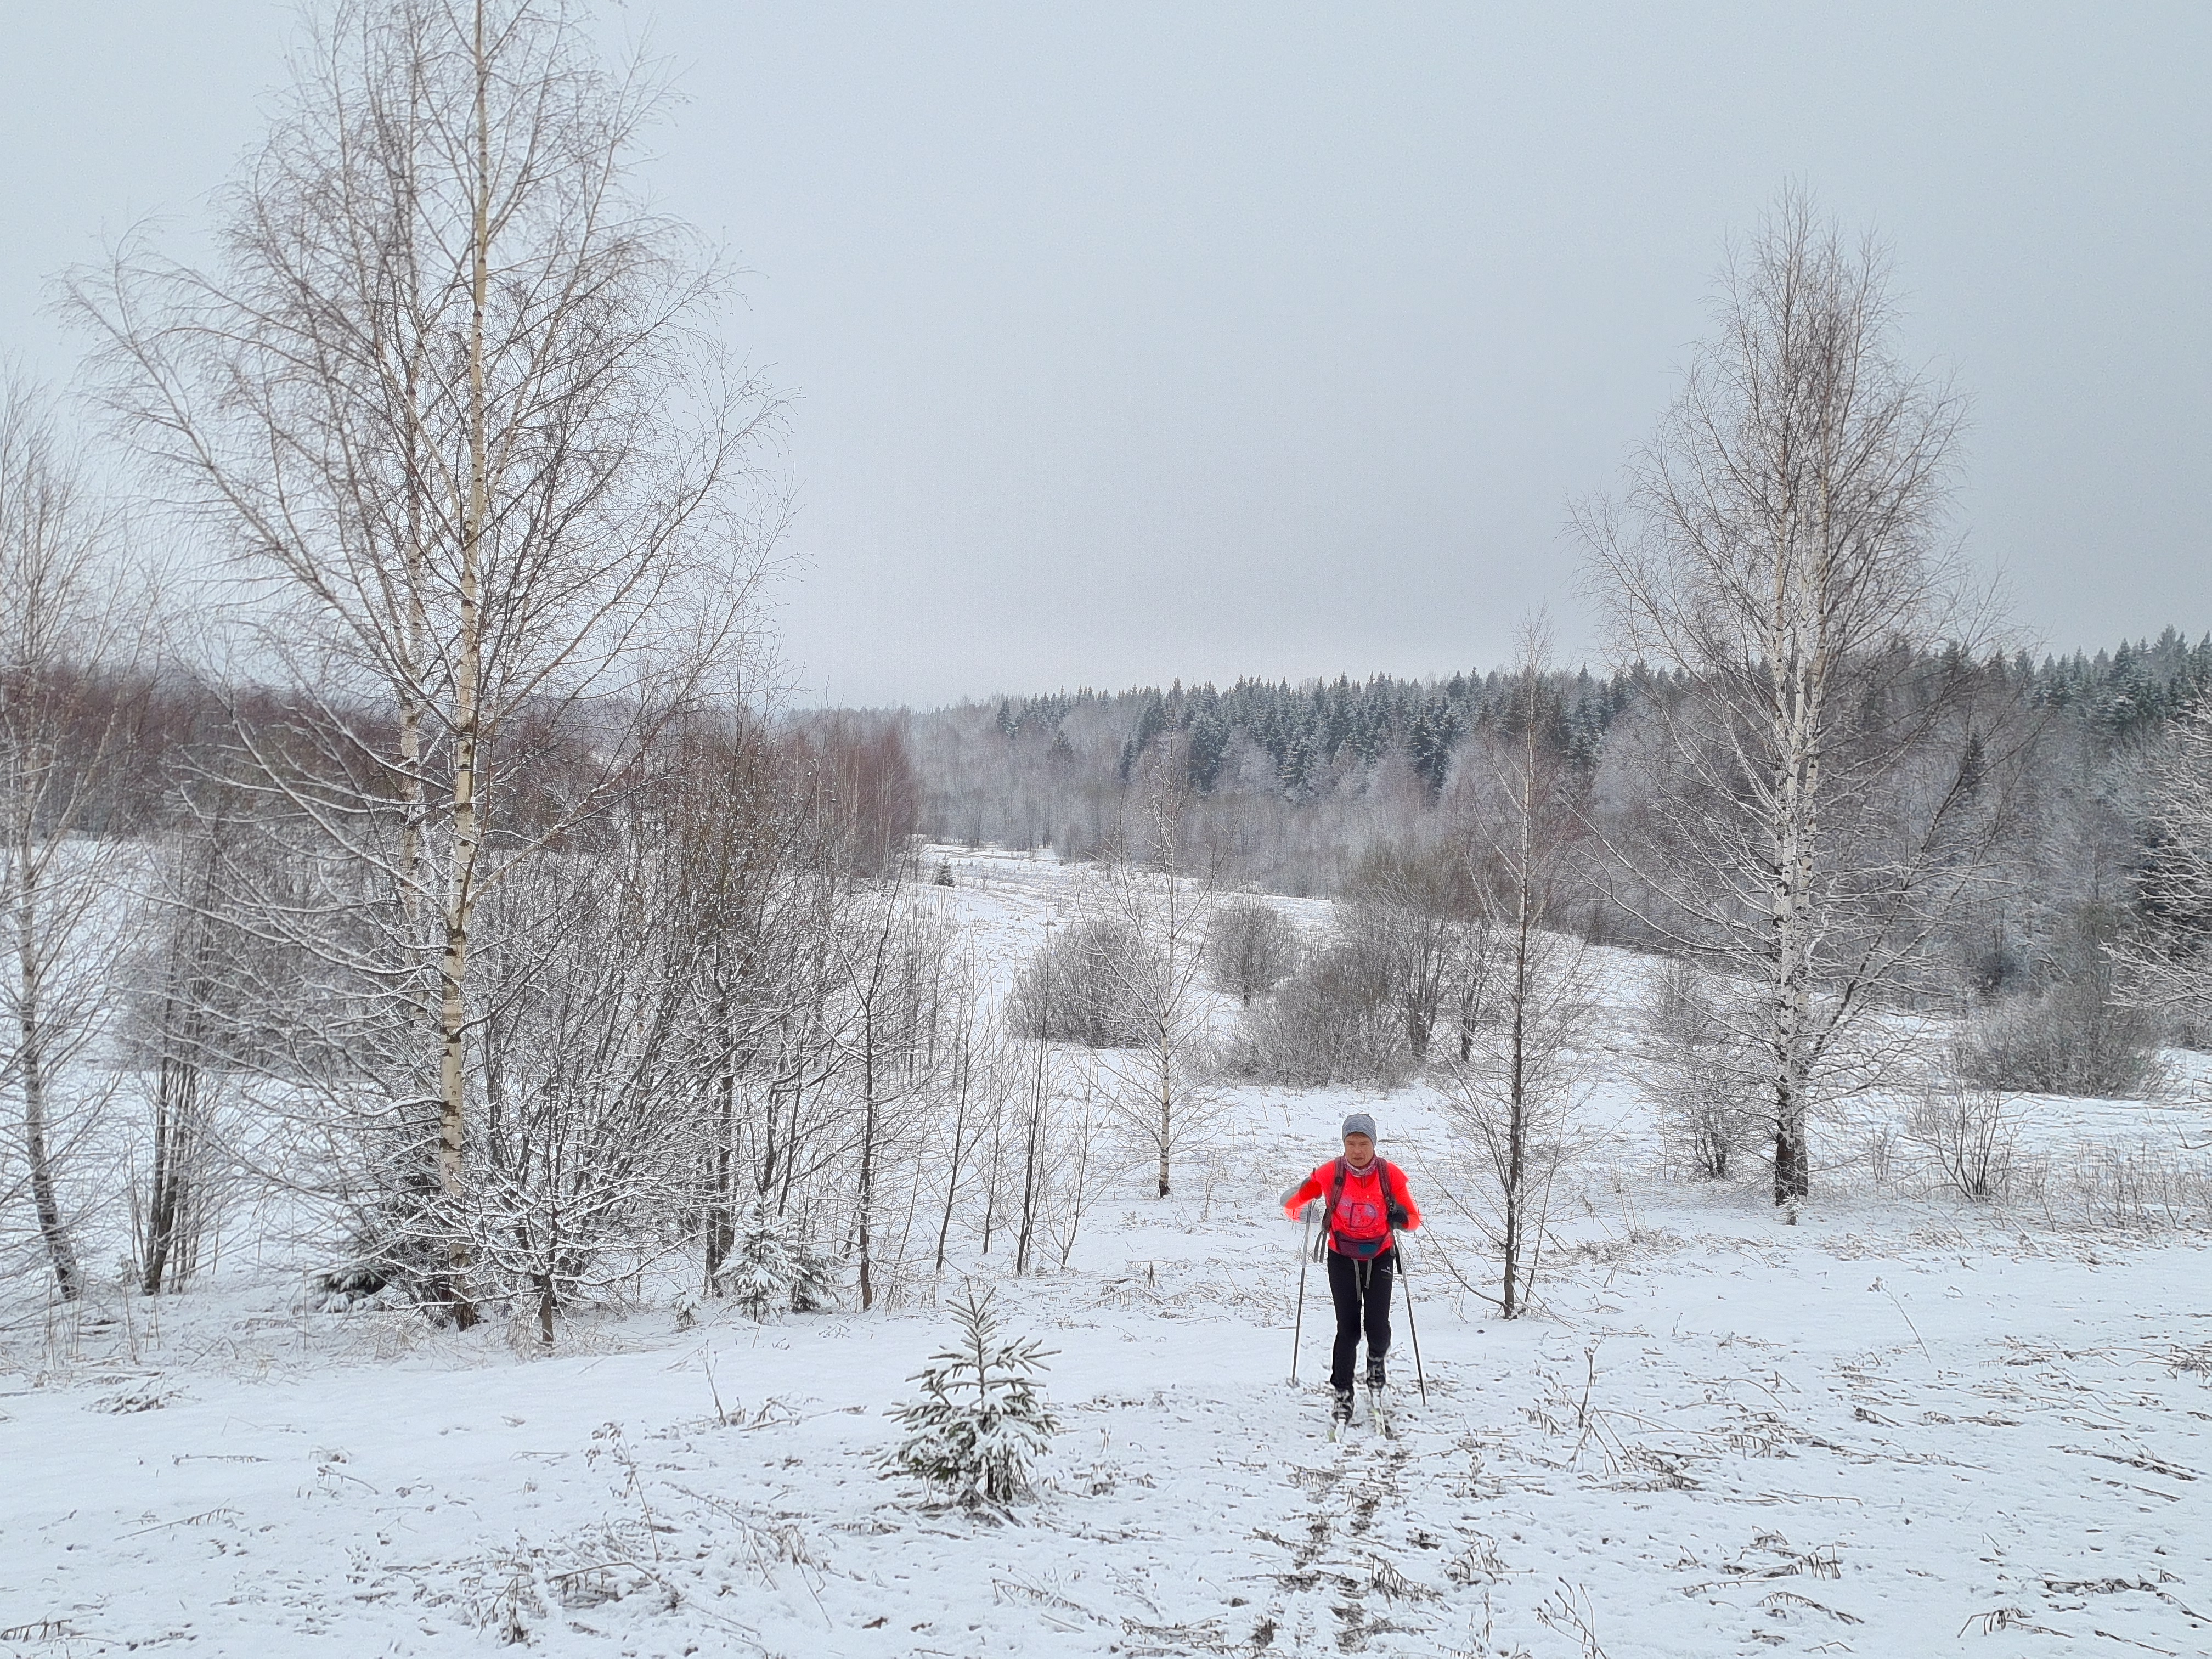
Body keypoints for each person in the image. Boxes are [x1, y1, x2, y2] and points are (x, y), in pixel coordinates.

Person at [1280, 1111, 1421, 1425]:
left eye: (1364, 1143)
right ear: (1344, 1144)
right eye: (1351, 1143)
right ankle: (1342, 1393)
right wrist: (1305, 1191)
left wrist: (1401, 1218)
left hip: (1380, 1256)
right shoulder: (1331, 1173)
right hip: (1342, 1258)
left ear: (1374, 1144)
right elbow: (1290, 1205)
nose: (1357, 1150)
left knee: (1378, 1329)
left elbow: (1414, 1220)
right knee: (1348, 1330)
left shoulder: (1390, 1175)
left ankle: (1376, 1365)